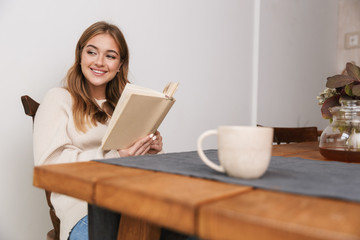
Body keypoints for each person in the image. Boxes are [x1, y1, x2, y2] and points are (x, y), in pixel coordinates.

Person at [33, 21, 164, 240]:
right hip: (85, 209)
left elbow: (141, 174)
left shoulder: (126, 107)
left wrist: (148, 150)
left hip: (134, 202)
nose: (99, 62)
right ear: (80, 55)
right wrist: (116, 156)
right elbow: (49, 167)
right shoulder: (59, 99)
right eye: (92, 52)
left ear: (120, 64)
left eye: (110, 56)